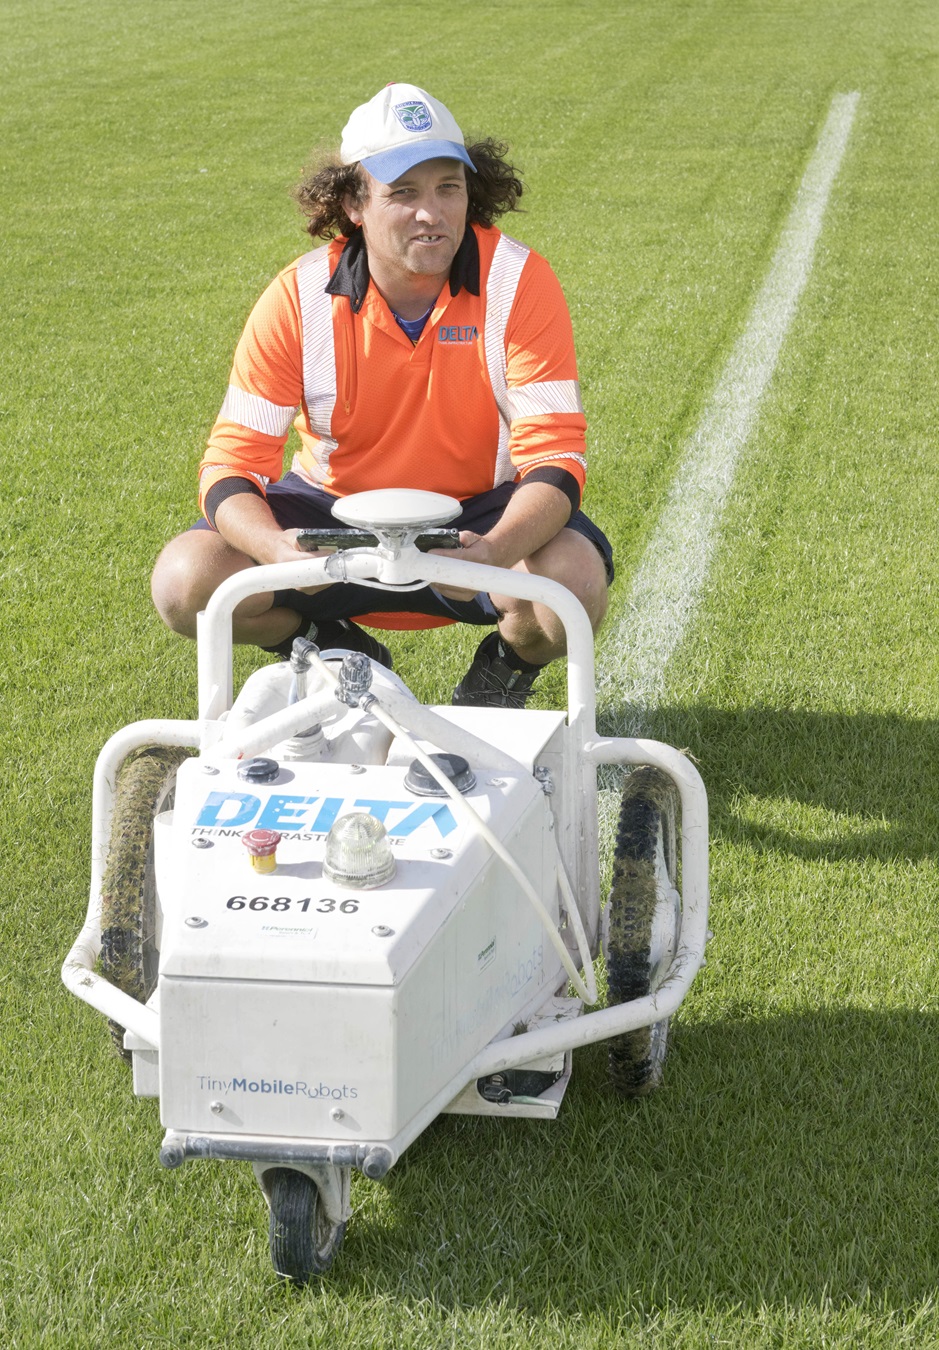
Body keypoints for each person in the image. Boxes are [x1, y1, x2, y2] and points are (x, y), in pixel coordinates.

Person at [151, 82, 613, 707]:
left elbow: (557, 457)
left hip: (477, 513)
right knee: (185, 581)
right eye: (404, 192)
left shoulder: (518, 280)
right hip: (335, 519)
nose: (433, 212)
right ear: (354, 203)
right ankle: (329, 647)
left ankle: (501, 674)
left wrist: (496, 551)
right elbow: (232, 463)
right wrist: (272, 547)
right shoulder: (298, 296)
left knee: (575, 580)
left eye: (449, 187)